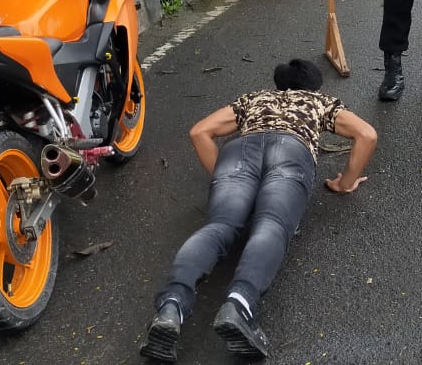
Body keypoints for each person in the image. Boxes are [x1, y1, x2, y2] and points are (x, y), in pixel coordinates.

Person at [142, 59, 378, 362]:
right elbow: (367, 135)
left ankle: (170, 307)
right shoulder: (320, 102)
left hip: (239, 153)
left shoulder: (255, 98)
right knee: (271, 225)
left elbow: (200, 131)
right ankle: (240, 305)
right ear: (313, 85)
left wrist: (225, 177)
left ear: (279, 84)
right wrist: (345, 182)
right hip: (292, 152)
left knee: (218, 226)